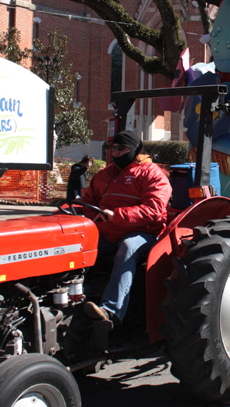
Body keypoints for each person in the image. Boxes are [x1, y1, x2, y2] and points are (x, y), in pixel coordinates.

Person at [82, 130, 172, 325]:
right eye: (113, 148)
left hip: (144, 233)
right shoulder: (104, 174)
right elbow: (88, 202)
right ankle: (74, 295)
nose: (115, 152)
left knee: (128, 247)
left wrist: (117, 216)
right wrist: (94, 218)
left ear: (135, 150)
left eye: (121, 148)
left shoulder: (152, 174)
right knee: (77, 242)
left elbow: (154, 210)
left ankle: (111, 311)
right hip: (108, 231)